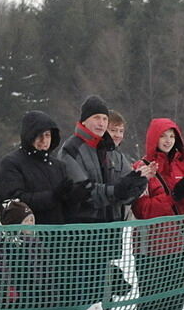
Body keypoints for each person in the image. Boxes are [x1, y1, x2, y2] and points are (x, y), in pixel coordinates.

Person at [130, 118, 184, 310]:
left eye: (172, 136)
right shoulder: (142, 167)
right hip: (150, 248)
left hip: (179, 245)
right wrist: (172, 197)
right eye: (162, 136)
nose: (167, 140)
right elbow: (142, 209)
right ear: (153, 138)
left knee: (175, 302)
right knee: (151, 304)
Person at [60, 95, 151, 224]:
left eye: (104, 119)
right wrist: (116, 190)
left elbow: (126, 195)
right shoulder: (71, 149)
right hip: (84, 227)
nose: (101, 123)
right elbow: (83, 193)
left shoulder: (112, 150)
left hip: (113, 228)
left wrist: (138, 182)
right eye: (96, 118)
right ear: (84, 121)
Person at [0, 111, 90, 224]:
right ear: (29, 136)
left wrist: (74, 199)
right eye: (39, 135)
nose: (44, 140)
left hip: (57, 232)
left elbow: (65, 213)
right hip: (27, 231)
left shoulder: (58, 166)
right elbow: (14, 202)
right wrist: (53, 196)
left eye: (47, 135)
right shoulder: (11, 163)